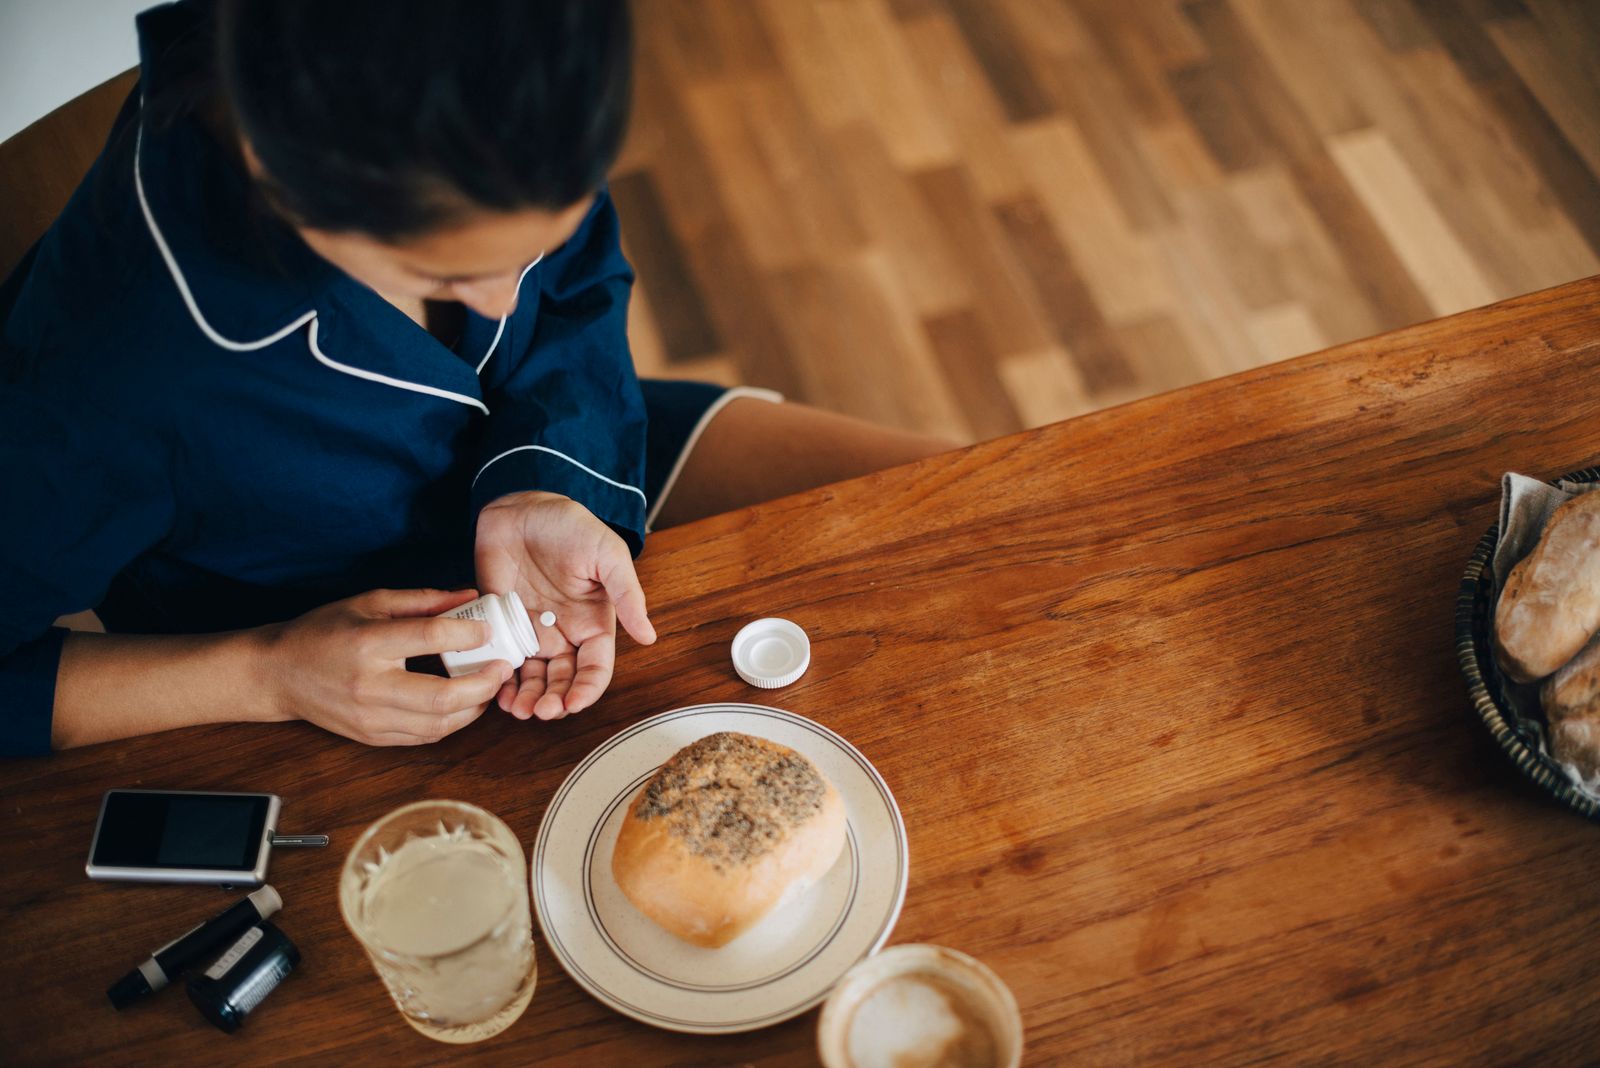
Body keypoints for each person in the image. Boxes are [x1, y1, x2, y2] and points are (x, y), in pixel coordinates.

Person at [0, 0, 948, 758]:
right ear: (280, 174)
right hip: (346, 686)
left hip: (576, 444)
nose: (502, 303)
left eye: (536, 238)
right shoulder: (100, 384)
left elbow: (576, 292)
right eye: (445, 277)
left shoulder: (508, 88)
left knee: (944, 526)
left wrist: (547, 477)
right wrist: (270, 672)